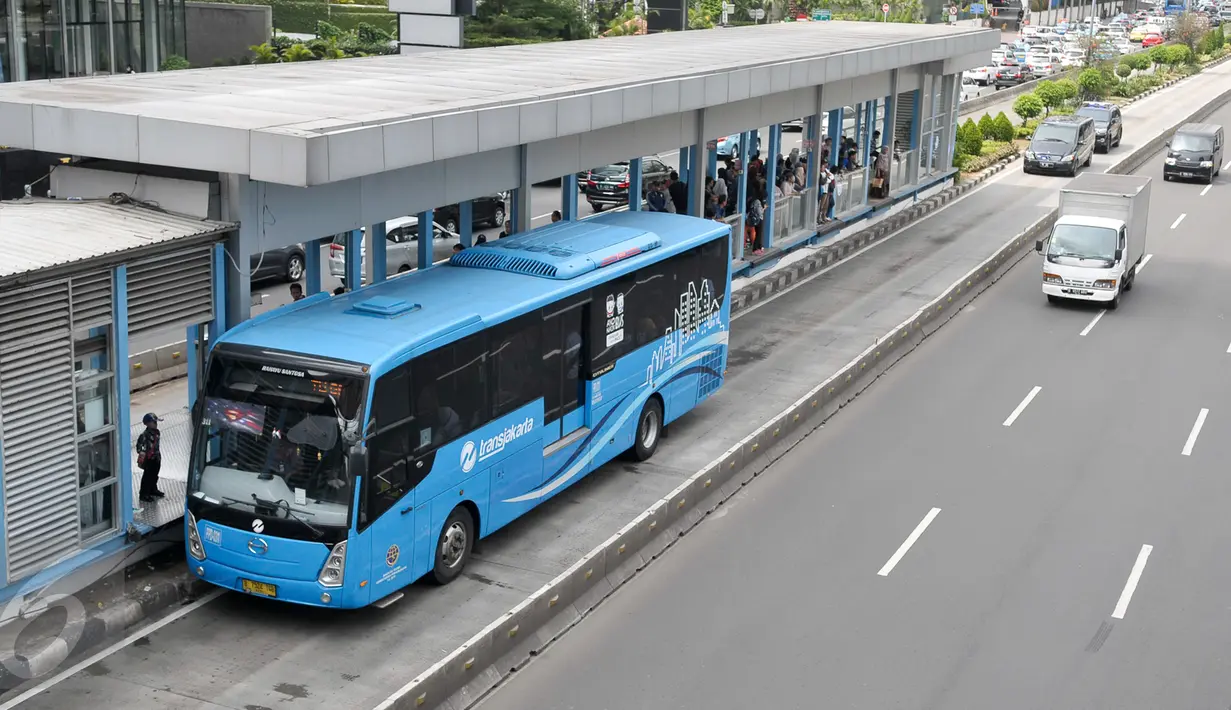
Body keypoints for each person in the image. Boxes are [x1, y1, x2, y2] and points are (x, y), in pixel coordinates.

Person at [135, 414, 164, 503]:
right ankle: (144, 494)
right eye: (153, 422)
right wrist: (143, 453)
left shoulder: (157, 432)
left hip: (156, 457)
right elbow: (139, 448)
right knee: (147, 476)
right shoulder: (144, 435)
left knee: (155, 474)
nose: (156, 424)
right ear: (147, 424)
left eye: (156, 422)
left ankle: (153, 489)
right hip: (149, 459)